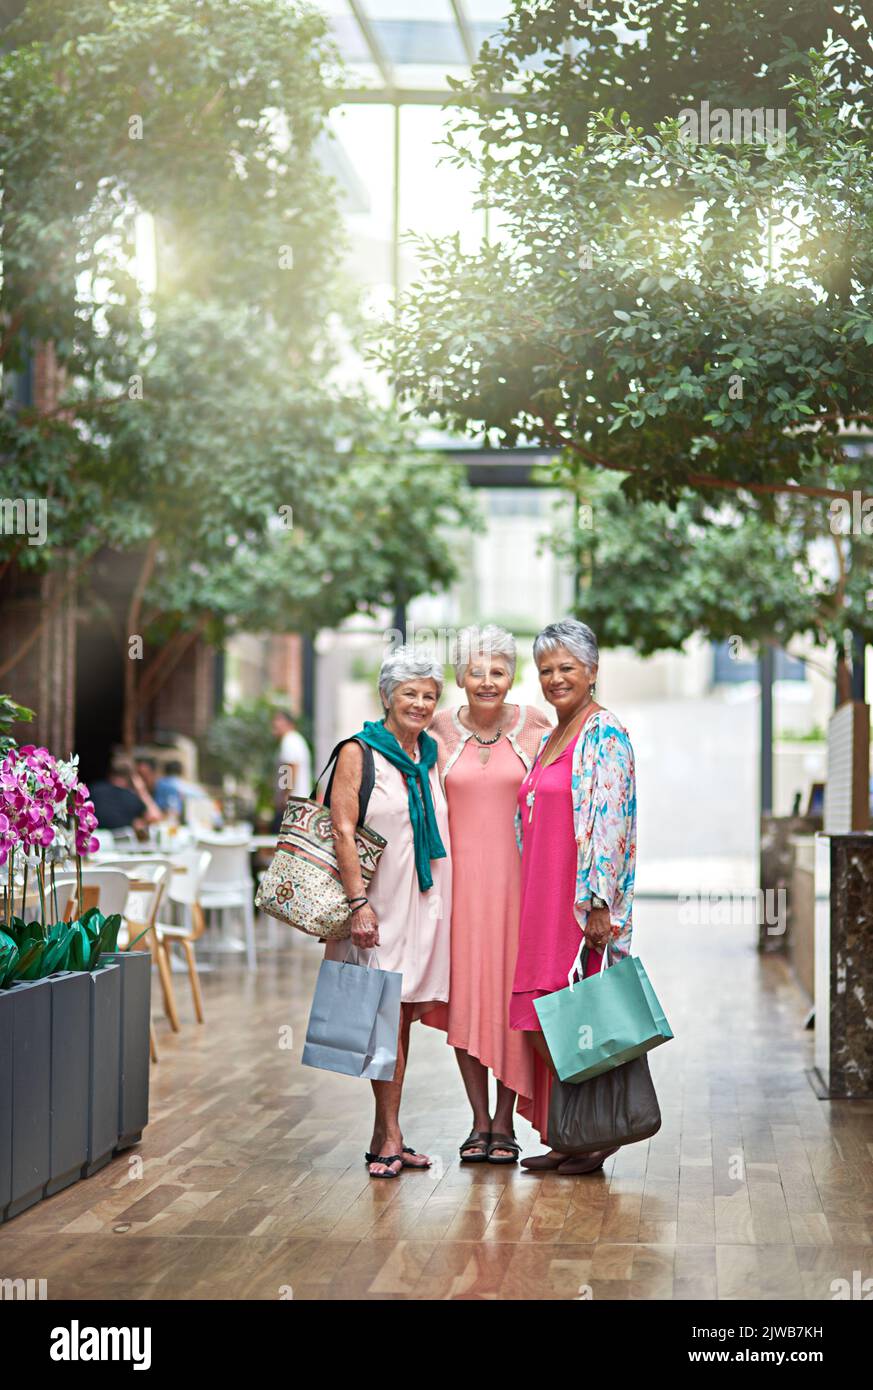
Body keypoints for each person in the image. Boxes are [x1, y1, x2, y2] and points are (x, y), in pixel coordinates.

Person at [511, 618, 637, 1176]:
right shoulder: (548, 738)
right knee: (537, 1016)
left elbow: (610, 820)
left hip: (578, 902)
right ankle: (573, 1134)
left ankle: (591, 1137)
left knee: (576, 1018)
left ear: (591, 671)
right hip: (538, 897)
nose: (556, 678)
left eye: (567, 668)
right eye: (546, 670)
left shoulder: (604, 733)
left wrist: (600, 903)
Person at [424, 625, 552, 1164]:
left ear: (512, 676)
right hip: (457, 893)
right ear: (459, 677)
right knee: (467, 1000)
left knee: (511, 1002)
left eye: (498, 671)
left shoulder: (535, 726)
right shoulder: (435, 732)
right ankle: (479, 1122)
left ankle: (506, 1122)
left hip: (519, 890)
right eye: (476, 671)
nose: (486, 681)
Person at [326, 647, 451, 1179]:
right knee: (382, 1013)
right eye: (410, 694)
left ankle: (387, 1133)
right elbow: (340, 828)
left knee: (399, 1016)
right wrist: (358, 904)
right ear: (386, 697)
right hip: (376, 904)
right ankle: (389, 1135)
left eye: (429, 695)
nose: (420, 704)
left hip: (421, 904)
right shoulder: (360, 751)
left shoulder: (430, 754)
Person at [90, 759, 163, 834]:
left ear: (109, 774)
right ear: (131, 778)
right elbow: (155, 817)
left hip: (95, 840)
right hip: (121, 843)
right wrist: (142, 790)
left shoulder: (93, 790)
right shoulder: (132, 798)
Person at [271, 709, 312, 832]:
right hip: (298, 803)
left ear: (289, 723)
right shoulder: (296, 740)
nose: (274, 724)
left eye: (278, 720)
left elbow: (290, 767)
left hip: (292, 804)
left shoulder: (289, 741)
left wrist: (284, 796)